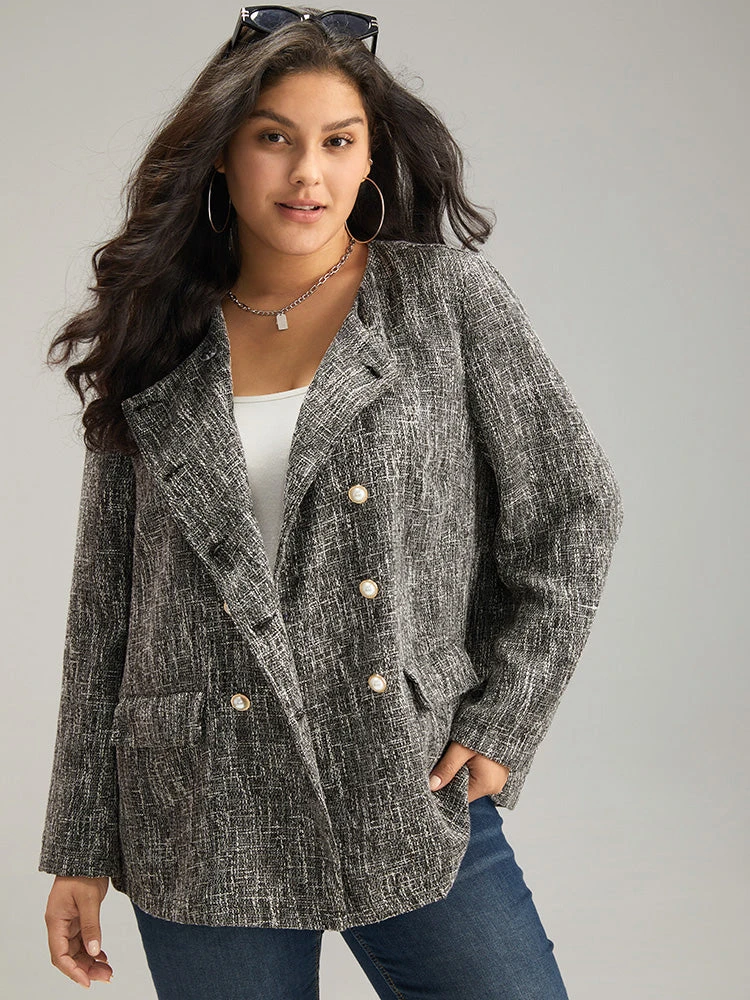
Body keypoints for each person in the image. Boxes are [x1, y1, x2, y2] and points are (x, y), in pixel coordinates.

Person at [39, 6, 624, 998]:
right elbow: (106, 612)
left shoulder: (441, 298)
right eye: (274, 138)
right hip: (202, 802)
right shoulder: (157, 338)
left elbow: (574, 506)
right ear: (222, 154)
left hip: (402, 770)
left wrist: (506, 716)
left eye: (338, 142)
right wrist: (80, 844)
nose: (307, 173)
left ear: (371, 158)